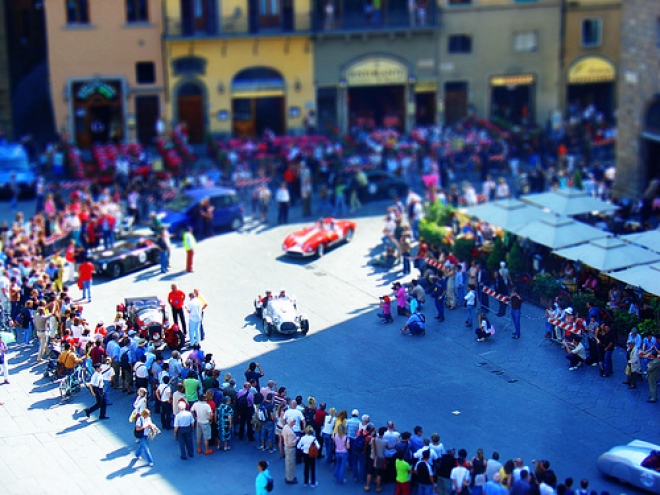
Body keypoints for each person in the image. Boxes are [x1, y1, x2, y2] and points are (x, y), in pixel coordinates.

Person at [283, 417, 299, 484]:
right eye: (294, 422)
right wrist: (296, 439)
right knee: (290, 463)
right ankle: (290, 478)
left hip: (286, 447)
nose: (294, 423)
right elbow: (291, 442)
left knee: (288, 462)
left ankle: (289, 476)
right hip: (290, 448)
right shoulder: (290, 431)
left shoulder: (286, 427)